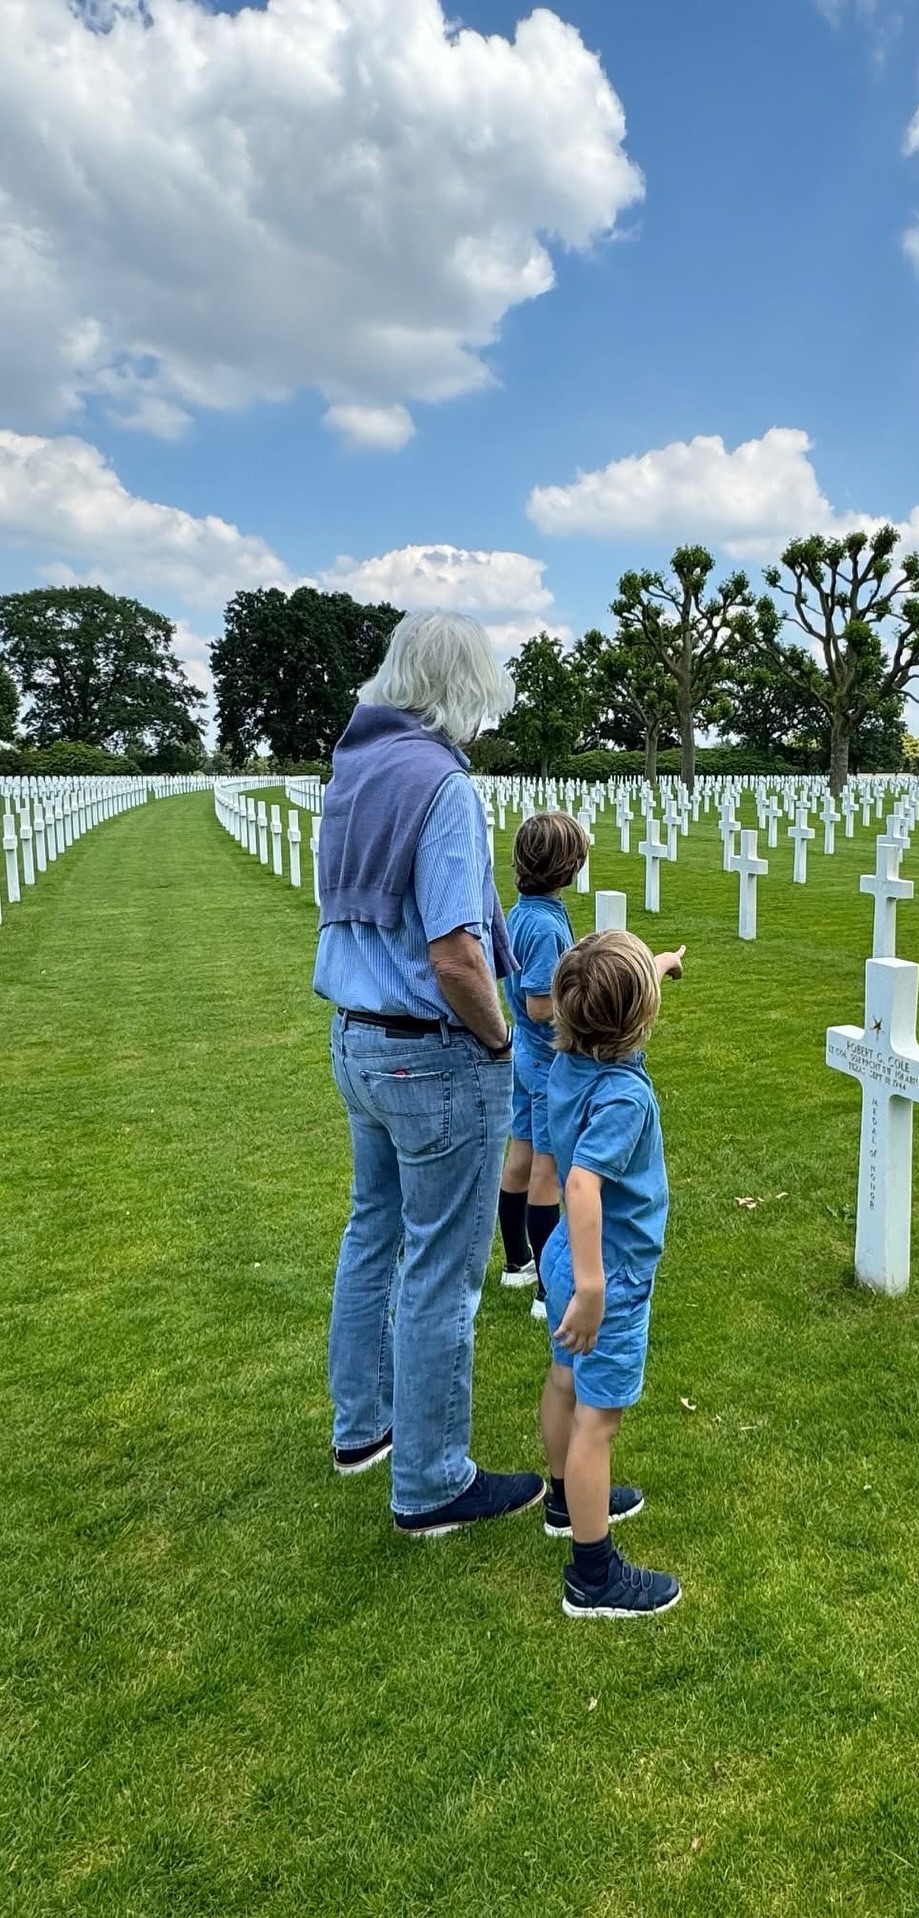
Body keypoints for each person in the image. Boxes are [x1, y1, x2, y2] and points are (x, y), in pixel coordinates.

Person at [314, 609, 545, 1538]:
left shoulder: (354, 769)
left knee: (373, 1233)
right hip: (430, 1049)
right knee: (445, 1272)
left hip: (357, 1041)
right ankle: (433, 1480)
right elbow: (455, 952)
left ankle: (362, 1426)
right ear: (465, 688)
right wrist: (497, 1043)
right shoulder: (441, 784)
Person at [537, 929, 685, 1618]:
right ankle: (593, 1578)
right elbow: (584, 1185)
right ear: (636, 1021)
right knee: (599, 1421)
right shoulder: (623, 1096)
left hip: (565, 1254)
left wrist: (656, 967)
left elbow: (609, 997)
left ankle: (566, 1501)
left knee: (565, 1384)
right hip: (609, 1272)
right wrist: (595, 1288)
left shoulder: (566, 1058)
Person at [495, 811, 591, 1322]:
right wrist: (589, 1003)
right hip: (546, 1057)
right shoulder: (546, 925)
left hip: (523, 1055)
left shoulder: (520, 911)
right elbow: (538, 1002)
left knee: (522, 1152)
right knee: (547, 1168)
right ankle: (546, 1289)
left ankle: (516, 1262)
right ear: (569, 866)